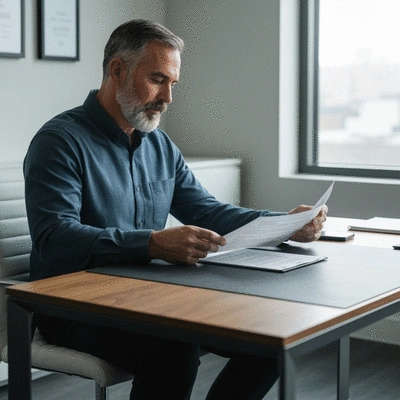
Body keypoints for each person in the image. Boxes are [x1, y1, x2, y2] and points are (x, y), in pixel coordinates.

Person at [24, 19, 327, 400]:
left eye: (172, 83)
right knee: (174, 350)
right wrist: (151, 244)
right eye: (157, 79)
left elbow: (208, 211)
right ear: (117, 70)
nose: (167, 97)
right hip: (72, 306)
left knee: (269, 337)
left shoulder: (160, 145)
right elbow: (54, 238)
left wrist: (285, 223)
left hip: (147, 294)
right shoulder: (60, 141)